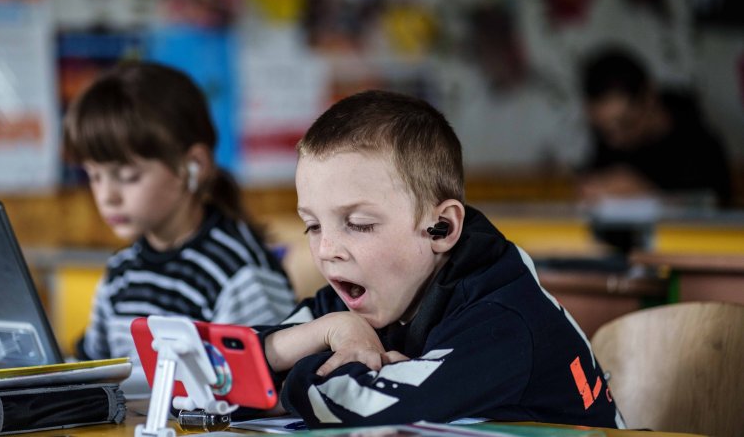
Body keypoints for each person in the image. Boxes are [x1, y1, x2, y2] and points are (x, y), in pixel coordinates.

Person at [257, 90, 624, 428]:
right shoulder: (355, 297)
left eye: (359, 224)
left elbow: (364, 409)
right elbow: (215, 373)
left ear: (442, 228)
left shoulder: (505, 319)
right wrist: (331, 330)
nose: (326, 249)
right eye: (313, 226)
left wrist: (279, 380)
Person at [63, 61, 295, 363]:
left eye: (127, 176)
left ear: (192, 166)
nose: (107, 196)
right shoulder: (121, 273)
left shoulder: (240, 275)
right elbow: (92, 370)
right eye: (94, 176)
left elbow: (265, 392)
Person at [578, 47, 732, 206]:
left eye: (625, 124)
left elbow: (717, 208)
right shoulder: (608, 144)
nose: (615, 140)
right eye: (604, 130)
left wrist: (650, 197)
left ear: (649, 97)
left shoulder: (700, 144)